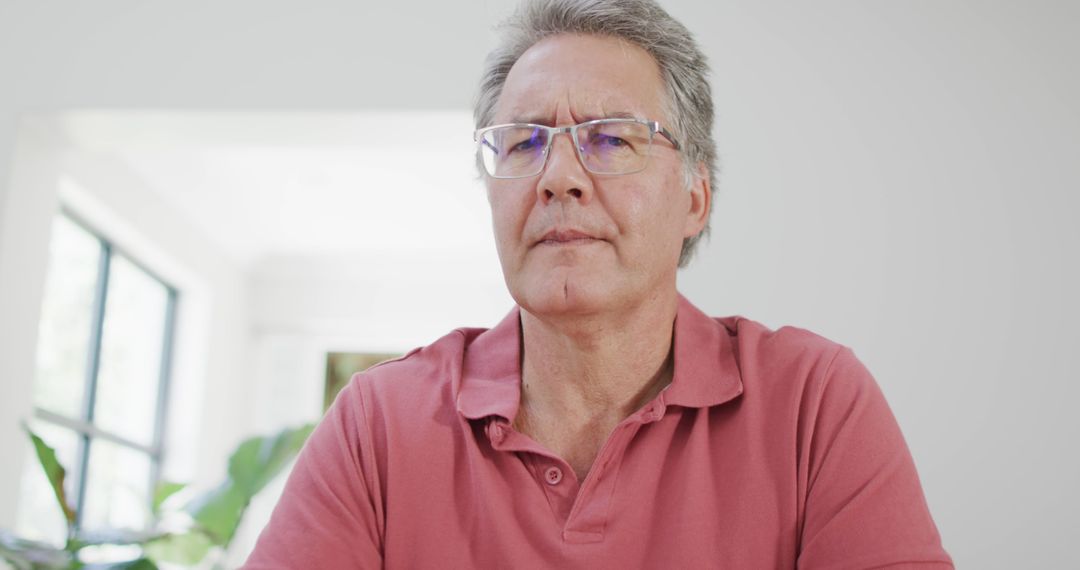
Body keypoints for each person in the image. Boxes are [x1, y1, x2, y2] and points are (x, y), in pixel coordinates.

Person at [243, 0, 953, 567]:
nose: (558, 178)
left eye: (612, 138)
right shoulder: (379, 421)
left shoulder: (813, 402)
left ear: (696, 197)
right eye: (522, 143)